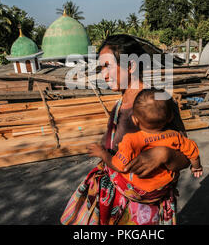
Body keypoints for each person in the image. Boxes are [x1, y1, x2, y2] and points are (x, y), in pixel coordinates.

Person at [60, 34, 192, 225]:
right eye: (101, 68)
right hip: (114, 203)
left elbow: (187, 156)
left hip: (144, 210)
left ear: (130, 66)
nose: (104, 74)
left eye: (108, 66)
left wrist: (164, 154)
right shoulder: (118, 106)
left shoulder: (158, 104)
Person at [88, 88, 203, 193]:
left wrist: (102, 153)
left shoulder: (131, 140)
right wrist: (196, 167)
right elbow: (193, 153)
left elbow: (119, 166)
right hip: (162, 189)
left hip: (138, 191)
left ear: (135, 120)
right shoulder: (175, 136)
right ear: (170, 118)